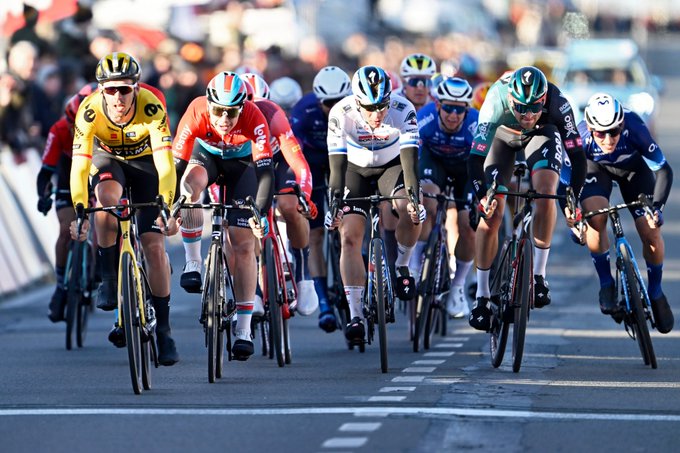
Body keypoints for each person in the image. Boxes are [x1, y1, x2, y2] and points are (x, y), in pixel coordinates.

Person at [69, 52, 180, 365]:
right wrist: (80, 209)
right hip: (109, 161)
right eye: (111, 90)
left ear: (136, 88)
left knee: (154, 247)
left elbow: (166, 164)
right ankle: (108, 277)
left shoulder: (152, 105)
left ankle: (164, 330)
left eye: (125, 89)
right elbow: (80, 168)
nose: (118, 97)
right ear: (101, 90)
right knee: (106, 199)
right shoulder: (89, 110)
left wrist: (166, 204)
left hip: (146, 164)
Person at [467, 66, 587, 331]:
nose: (528, 115)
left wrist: (572, 201)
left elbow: (578, 157)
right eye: (521, 108)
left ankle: (539, 276)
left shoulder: (558, 103)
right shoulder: (495, 100)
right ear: (511, 100)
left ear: (544, 99)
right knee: (492, 213)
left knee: (545, 192)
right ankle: (482, 297)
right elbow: (475, 159)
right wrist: (482, 197)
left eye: (535, 107)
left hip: (542, 136)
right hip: (502, 137)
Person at [174, 71, 274, 360]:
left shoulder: (254, 117)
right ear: (209, 105)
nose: (224, 118)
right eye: (218, 111)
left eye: (232, 112)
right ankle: (193, 261)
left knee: (243, 245)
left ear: (242, 107)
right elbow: (176, 164)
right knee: (189, 187)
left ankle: (243, 328)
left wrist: (260, 212)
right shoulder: (196, 110)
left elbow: (266, 172)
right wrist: (171, 204)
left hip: (242, 166)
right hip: (206, 157)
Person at [325, 65, 424, 343]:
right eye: (369, 108)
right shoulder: (341, 113)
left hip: (391, 167)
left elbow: (410, 165)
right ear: (357, 102)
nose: (377, 113)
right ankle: (356, 313)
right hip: (353, 169)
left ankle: (402, 264)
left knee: (409, 209)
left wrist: (415, 200)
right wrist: (334, 205)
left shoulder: (403, 109)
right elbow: (336, 169)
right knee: (349, 236)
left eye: (382, 105)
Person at [577, 93, 673, 333]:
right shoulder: (580, 137)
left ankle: (655, 291)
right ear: (590, 129)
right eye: (601, 133)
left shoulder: (635, 127)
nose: (608, 139)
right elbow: (567, 179)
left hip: (634, 171)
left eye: (614, 131)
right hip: (595, 169)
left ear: (622, 124)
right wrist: (574, 216)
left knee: (650, 230)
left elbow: (663, 170)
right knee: (595, 217)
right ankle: (606, 283)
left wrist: (657, 208)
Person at [235, 73, 319, 317]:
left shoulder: (273, 114)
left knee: (289, 205)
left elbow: (298, 162)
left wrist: (305, 195)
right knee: (242, 221)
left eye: (255, 104)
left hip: (277, 160)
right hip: (246, 164)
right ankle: (254, 288)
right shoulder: (227, 118)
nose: (250, 111)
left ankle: (303, 272)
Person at [290, 65, 352, 333]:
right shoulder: (303, 111)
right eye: (328, 103)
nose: (334, 107)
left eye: (339, 101)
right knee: (315, 235)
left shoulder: (356, 109)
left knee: (350, 225)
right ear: (318, 101)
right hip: (313, 163)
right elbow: (293, 151)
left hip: (345, 161)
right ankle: (324, 302)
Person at [410, 77, 479, 318]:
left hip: (466, 169)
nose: (453, 115)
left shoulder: (476, 124)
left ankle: (457, 287)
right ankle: (415, 265)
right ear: (438, 105)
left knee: (468, 225)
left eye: (459, 110)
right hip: (434, 162)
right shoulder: (424, 118)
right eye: (448, 108)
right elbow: (411, 157)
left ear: (466, 109)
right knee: (428, 202)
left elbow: (483, 164)